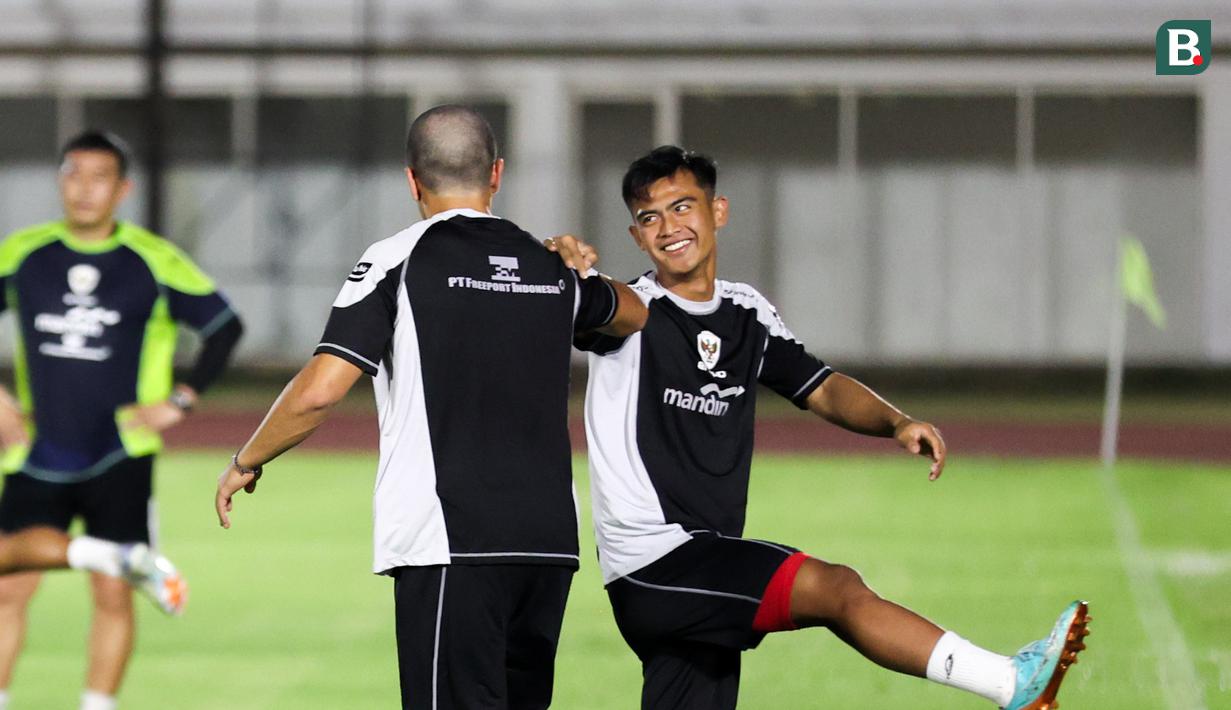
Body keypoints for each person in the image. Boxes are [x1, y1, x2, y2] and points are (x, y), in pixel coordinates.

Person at [576, 146, 1090, 710]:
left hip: (705, 568)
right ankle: (1011, 683)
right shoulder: (631, 313)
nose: (669, 228)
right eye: (650, 218)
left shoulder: (746, 312)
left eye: (682, 207)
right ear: (635, 235)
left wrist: (896, 421)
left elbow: (820, 385)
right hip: (657, 564)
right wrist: (557, 259)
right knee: (836, 589)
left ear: (717, 211)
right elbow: (588, 300)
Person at [214, 104, 647, 710]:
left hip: (451, 543)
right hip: (547, 544)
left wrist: (247, 459)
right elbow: (634, 313)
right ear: (496, 174)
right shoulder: (551, 266)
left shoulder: (397, 259)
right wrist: (577, 258)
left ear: (411, 179)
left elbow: (321, 389)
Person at [0, 130, 242, 710]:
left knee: (113, 595)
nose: (84, 189)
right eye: (73, 174)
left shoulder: (152, 260)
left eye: (99, 177)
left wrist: (181, 401)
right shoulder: (24, 253)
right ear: (60, 181)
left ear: (123, 188)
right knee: (8, 586)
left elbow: (224, 327)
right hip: (36, 449)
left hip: (120, 450)